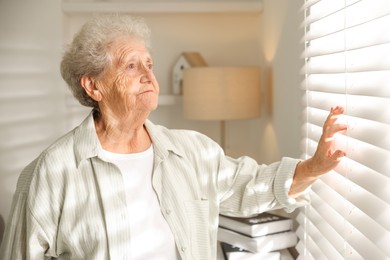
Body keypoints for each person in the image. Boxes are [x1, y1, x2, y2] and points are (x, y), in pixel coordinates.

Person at [0, 14, 347, 260]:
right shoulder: (51, 173)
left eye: (149, 64)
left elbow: (252, 185)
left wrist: (314, 166)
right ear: (93, 86)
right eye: (131, 66)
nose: (148, 74)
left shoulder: (192, 151)